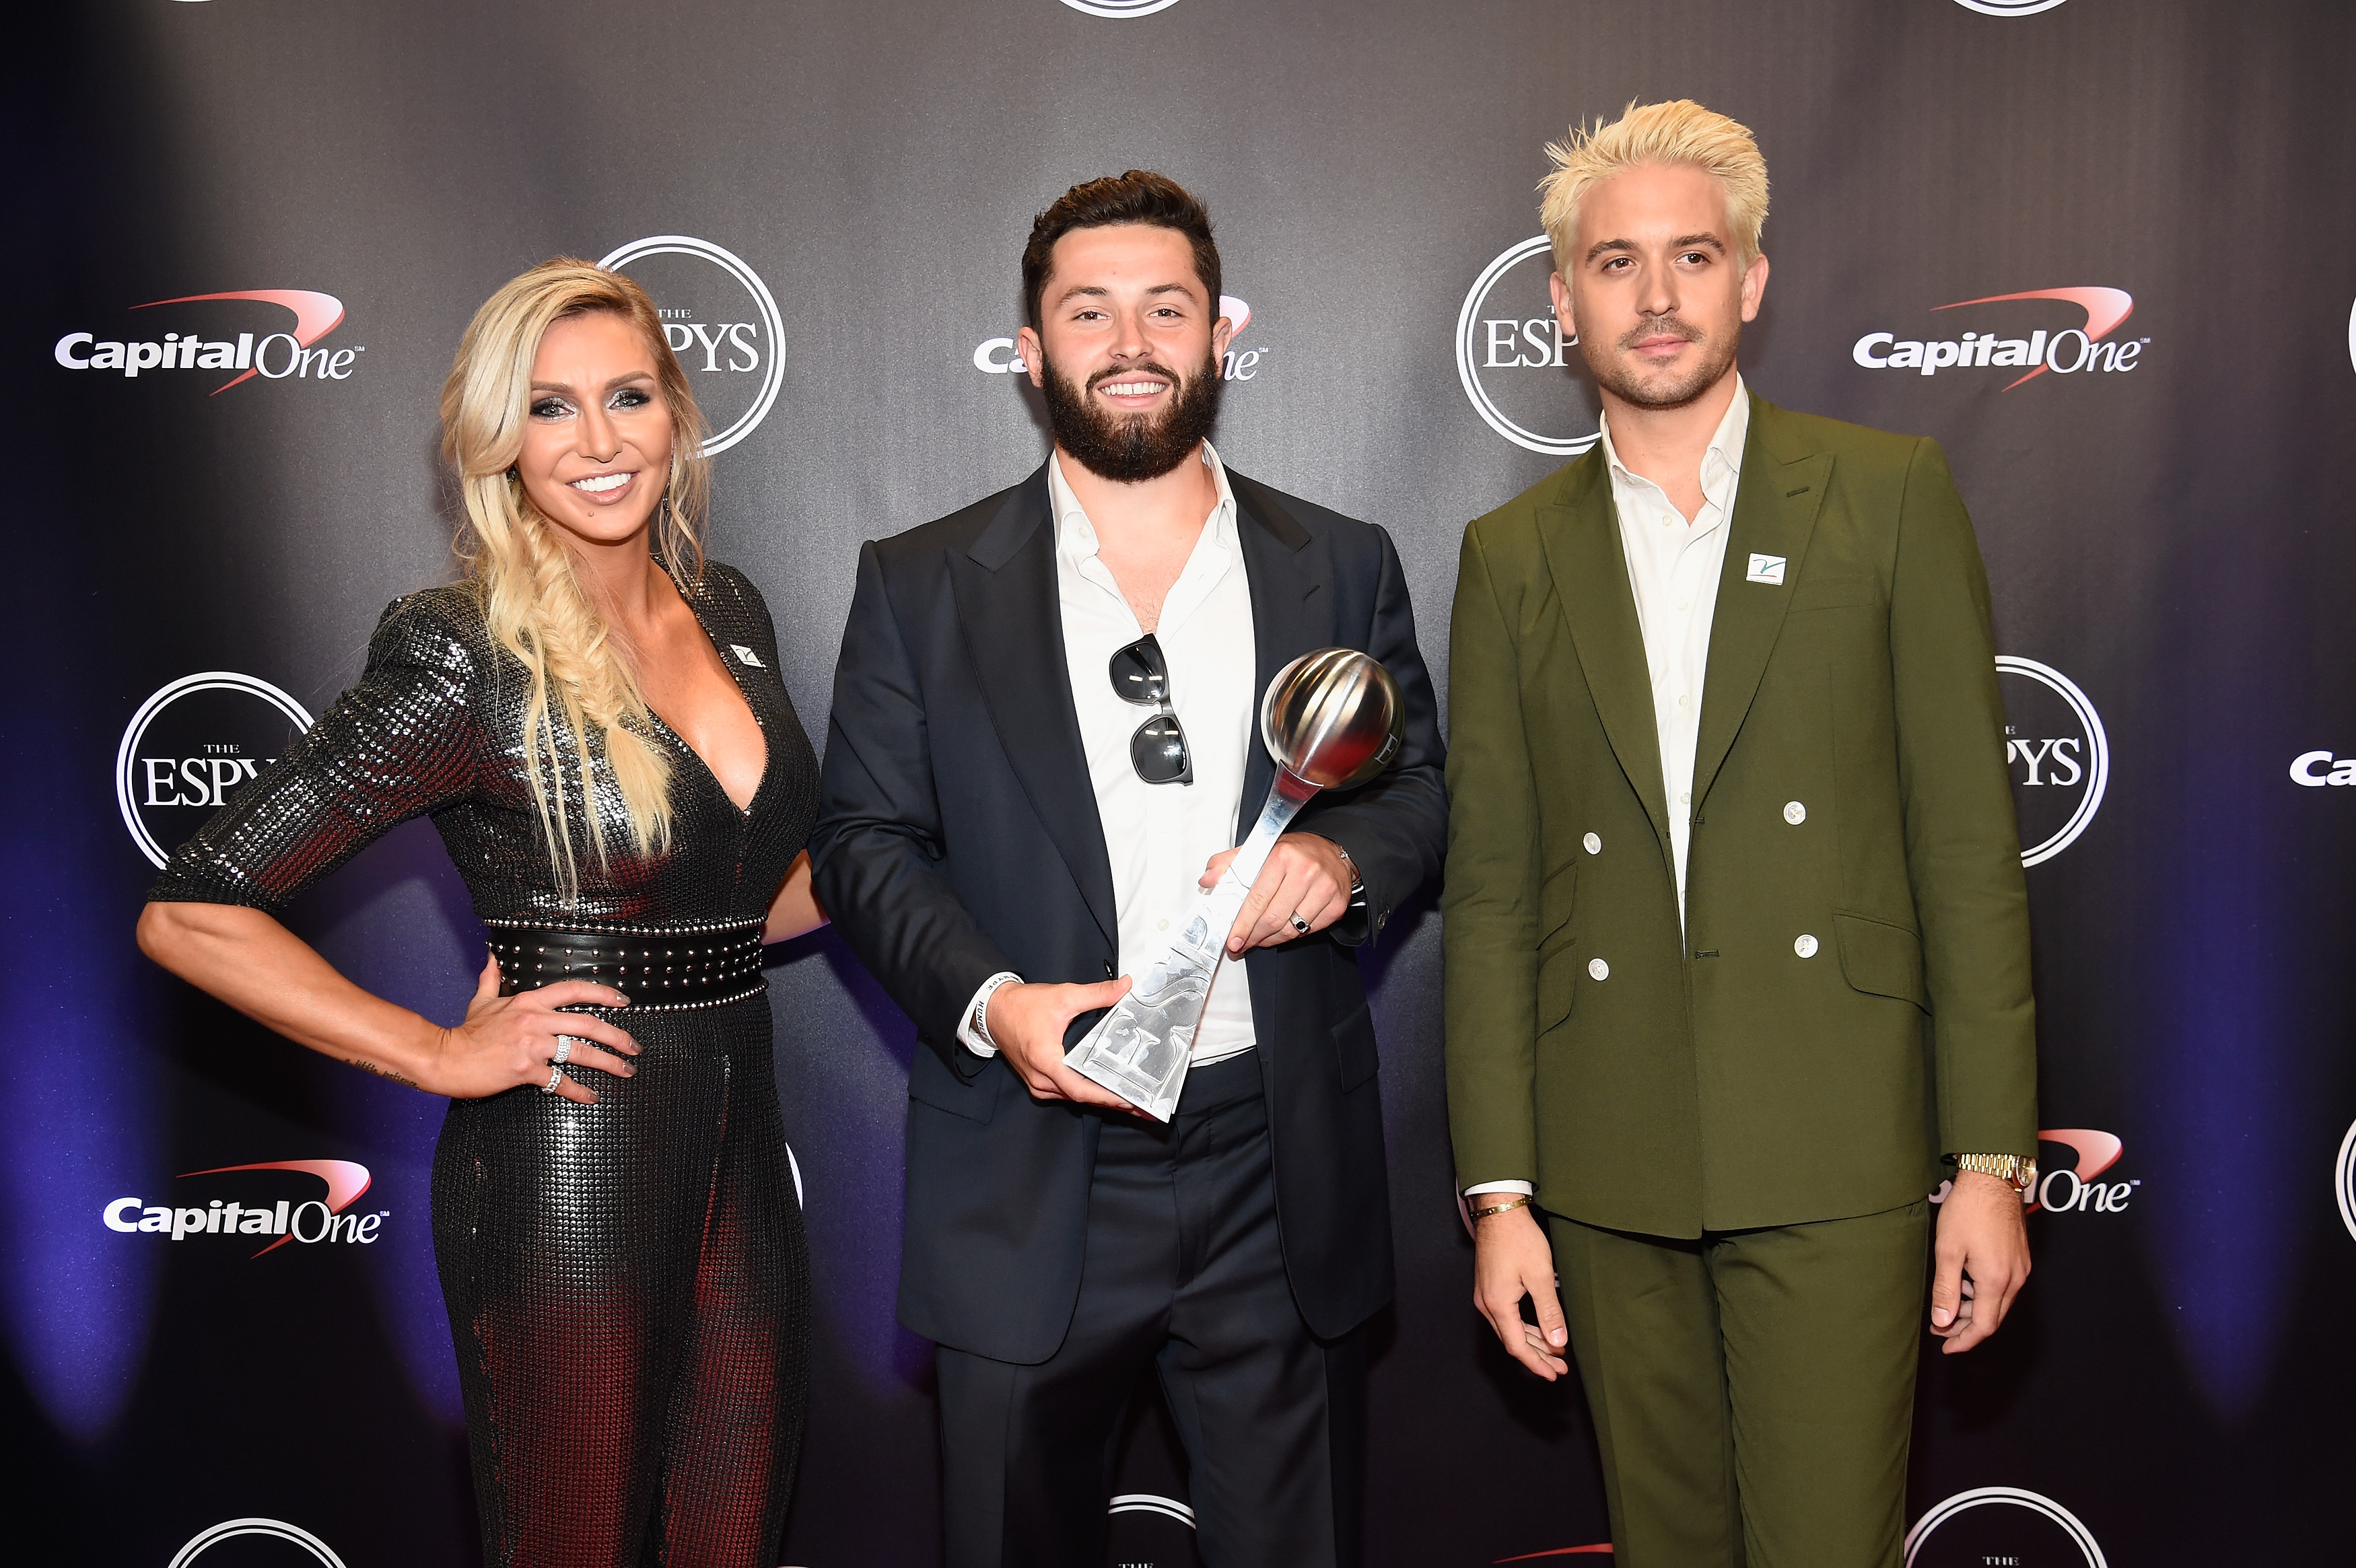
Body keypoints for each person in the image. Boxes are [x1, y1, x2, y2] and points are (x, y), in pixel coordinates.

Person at [136, 260, 824, 1568]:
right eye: (552, 407)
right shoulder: (463, 650)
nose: (600, 440)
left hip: (742, 1158)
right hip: (566, 1165)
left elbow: (745, 903)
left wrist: (934, 862)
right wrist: (437, 1052)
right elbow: (192, 911)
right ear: (500, 439)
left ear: (675, 410)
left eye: (626, 395)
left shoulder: (728, 610)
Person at [808, 171, 1445, 1568]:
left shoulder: (1337, 563)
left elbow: (1414, 792)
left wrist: (1342, 862)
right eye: (1087, 311)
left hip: (1276, 1165)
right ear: (1031, 353)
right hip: (1031, 1163)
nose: (1131, 339)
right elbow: (862, 841)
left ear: (1222, 333)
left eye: (1166, 306)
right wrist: (993, 1002)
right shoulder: (921, 582)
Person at [1442, 102, 2039, 1566]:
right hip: (1606, 1160)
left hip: (1835, 1141)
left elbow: (1967, 853)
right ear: (1561, 298)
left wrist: (1988, 1160)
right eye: (1616, 262)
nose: (1657, 297)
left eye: (1692, 256)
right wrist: (1500, 1192)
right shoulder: (1509, 556)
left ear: (1751, 280)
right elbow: (1497, 893)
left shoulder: (1887, 498)